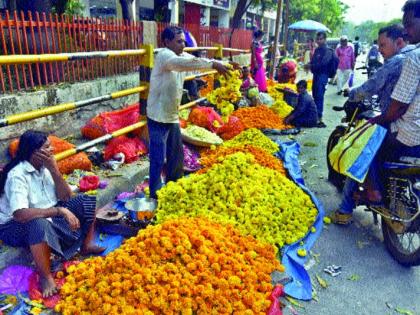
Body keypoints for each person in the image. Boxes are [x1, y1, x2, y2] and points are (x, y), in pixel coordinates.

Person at [332, 0, 420, 224]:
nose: (379, 50)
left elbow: (384, 97)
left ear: (397, 42)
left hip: (407, 130)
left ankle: (347, 208)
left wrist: (355, 98)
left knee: (358, 148)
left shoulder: (409, 59)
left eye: (382, 45)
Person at [0, 131, 105, 297]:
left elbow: (66, 197)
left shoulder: (45, 166)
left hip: (47, 213)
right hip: (16, 224)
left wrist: (54, 170)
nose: (52, 150)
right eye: (47, 147)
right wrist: (59, 211)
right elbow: (20, 214)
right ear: (34, 152)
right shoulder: (17, 176)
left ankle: (85, 245)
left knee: (85, 201)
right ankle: (46, 277)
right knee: (39, 224)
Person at [146, 26, 229, 199]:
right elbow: (185, 64)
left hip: (172, 116)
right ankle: (155, 194)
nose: (183, 44)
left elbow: (194, 61)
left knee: (176, 156)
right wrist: (213, 63)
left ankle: (174, 188)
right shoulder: (165, 56)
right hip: (158, 117)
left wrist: (224, 65)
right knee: (158, 159)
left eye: (184, 41)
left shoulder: (180, 55)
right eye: (178, 41)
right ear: (167, 42)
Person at [350, 24, 415, 113]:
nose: (379, 50)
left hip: (395, 121)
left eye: (382, 45)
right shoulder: (414, 54)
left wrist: (352, 94)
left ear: (399, 42)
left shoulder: (397, 60)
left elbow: (373, 85)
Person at [306, 31, 333, 128]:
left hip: (323, 76)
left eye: (320, 39)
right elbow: (314, 61)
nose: (318, 41)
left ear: (325, 39)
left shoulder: (328, 51)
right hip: (316, 75)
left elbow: (323, 63)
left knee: (319, 96)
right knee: (315, 94)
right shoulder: (317, 50)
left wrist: (311, 65)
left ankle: (319, 117)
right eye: (317, 39)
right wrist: (310, 64)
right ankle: (315, 115)